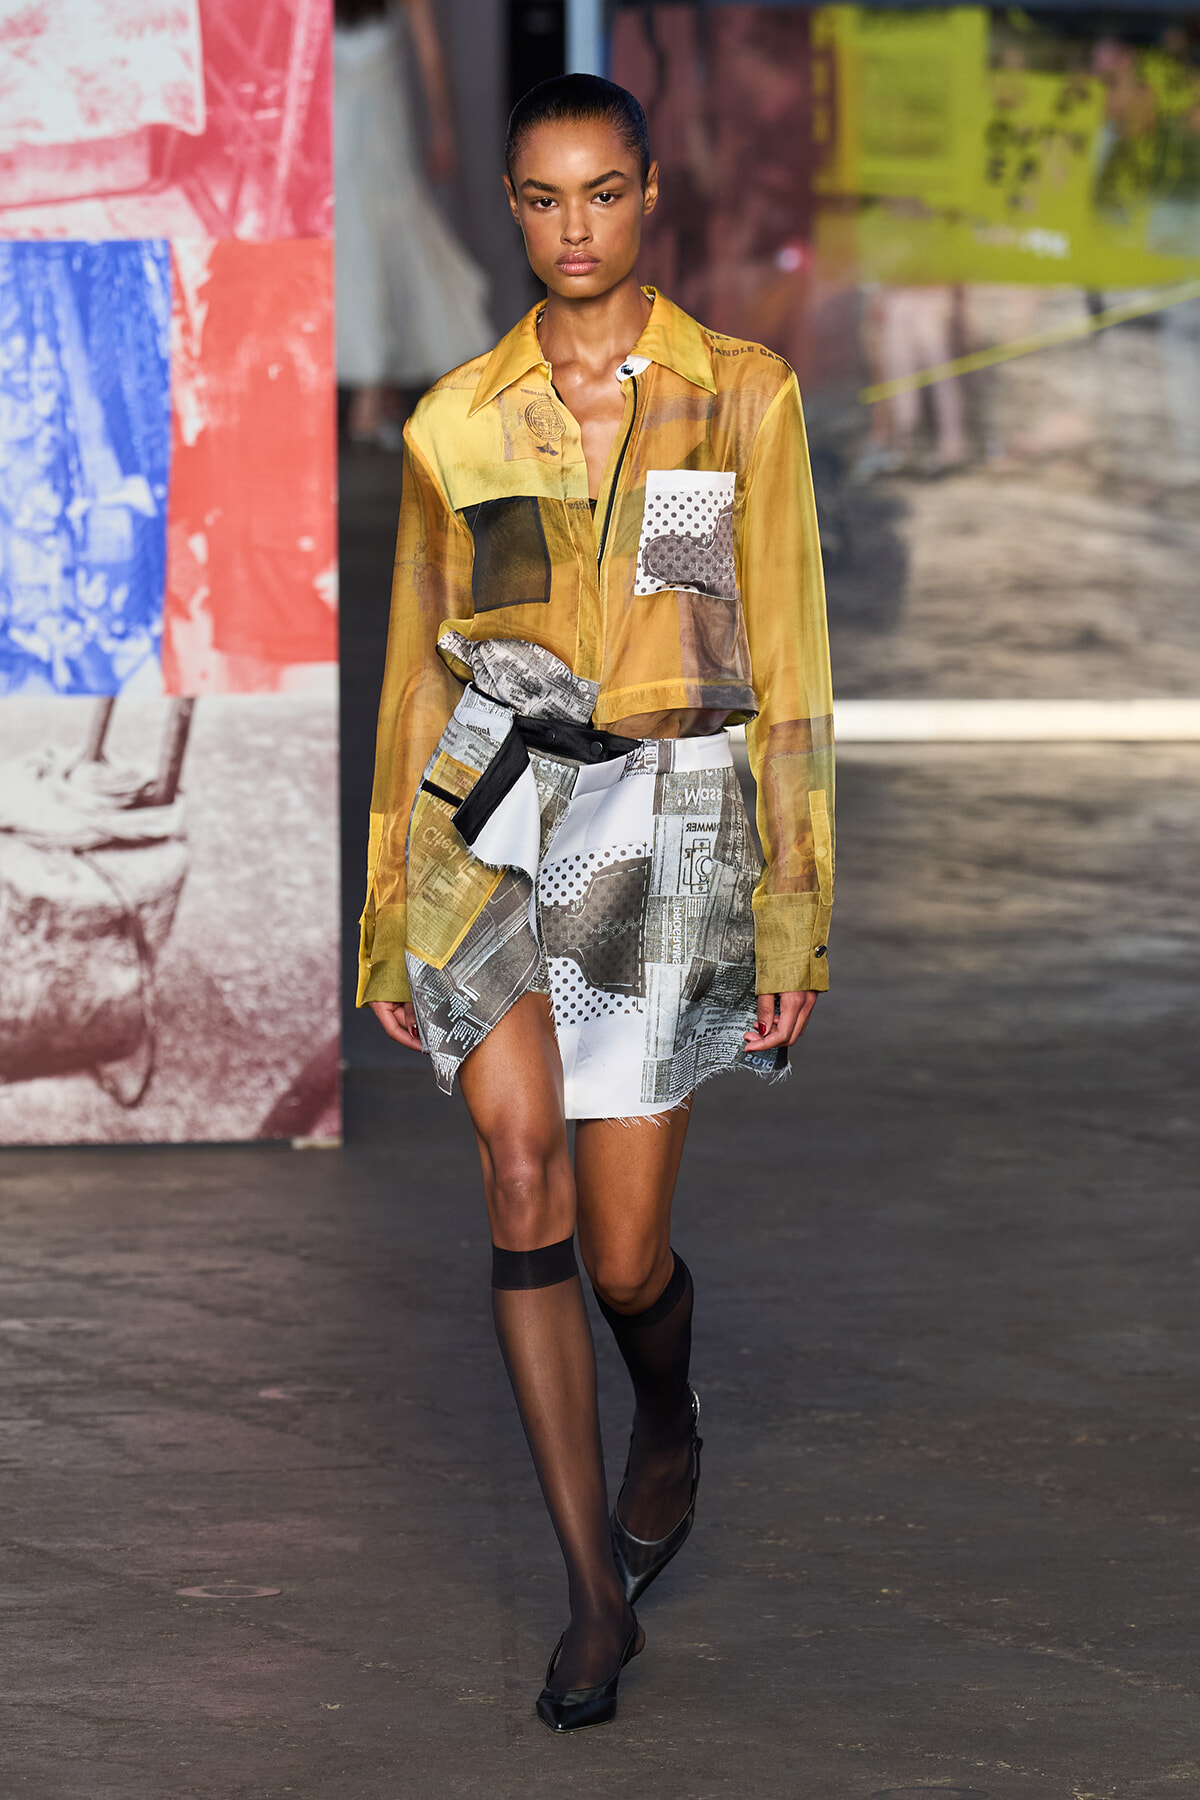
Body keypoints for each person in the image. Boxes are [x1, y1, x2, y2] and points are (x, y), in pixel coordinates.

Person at [358, 75, 834, 1732]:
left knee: (624, 1258)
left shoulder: (739, 401)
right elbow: (421, 685)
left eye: (605, 194)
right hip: (492, 814)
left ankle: (669, 1405)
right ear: (510, 205)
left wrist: (796, 915)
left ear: (650, 200)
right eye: (545, 199)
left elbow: (784, 671)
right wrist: (390, 913)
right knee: (516, 1169)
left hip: (669, 817)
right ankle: (587, 1599)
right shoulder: (455, 422)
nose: (577, 227)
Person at [333, 0, 492, 448]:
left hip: (364, 148)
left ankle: (374, 395)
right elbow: (431, 59)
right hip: (362, 150)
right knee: (377, 254)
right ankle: (370, 397)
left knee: (366, 256)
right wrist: (443, 128)